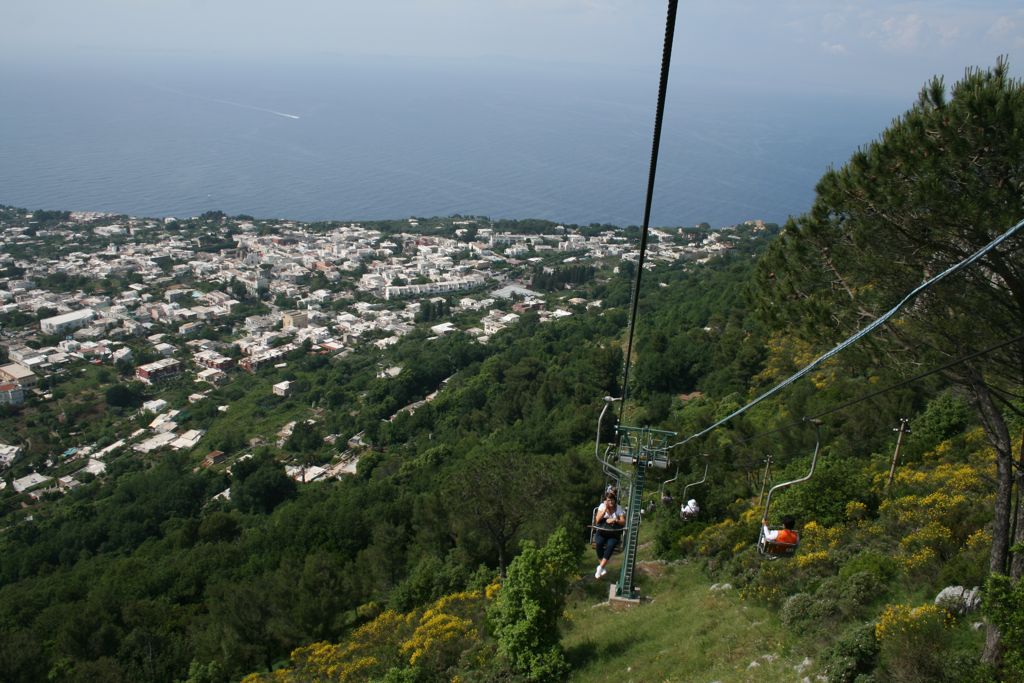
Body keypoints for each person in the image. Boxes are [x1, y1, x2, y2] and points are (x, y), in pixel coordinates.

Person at [593, 491, 625, 578]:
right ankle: (601, 567)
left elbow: (623, 522)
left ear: (615, 500)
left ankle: (600, 567)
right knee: (599, 543)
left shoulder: (618, 508)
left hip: (613, 532)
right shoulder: (602, 506)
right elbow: (597, 520)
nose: (611, 502)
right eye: (608, 500)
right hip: (603, 531)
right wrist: (605, 510)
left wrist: (615, 520)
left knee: (611, 545)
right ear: (606, 501)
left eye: (612, 500)